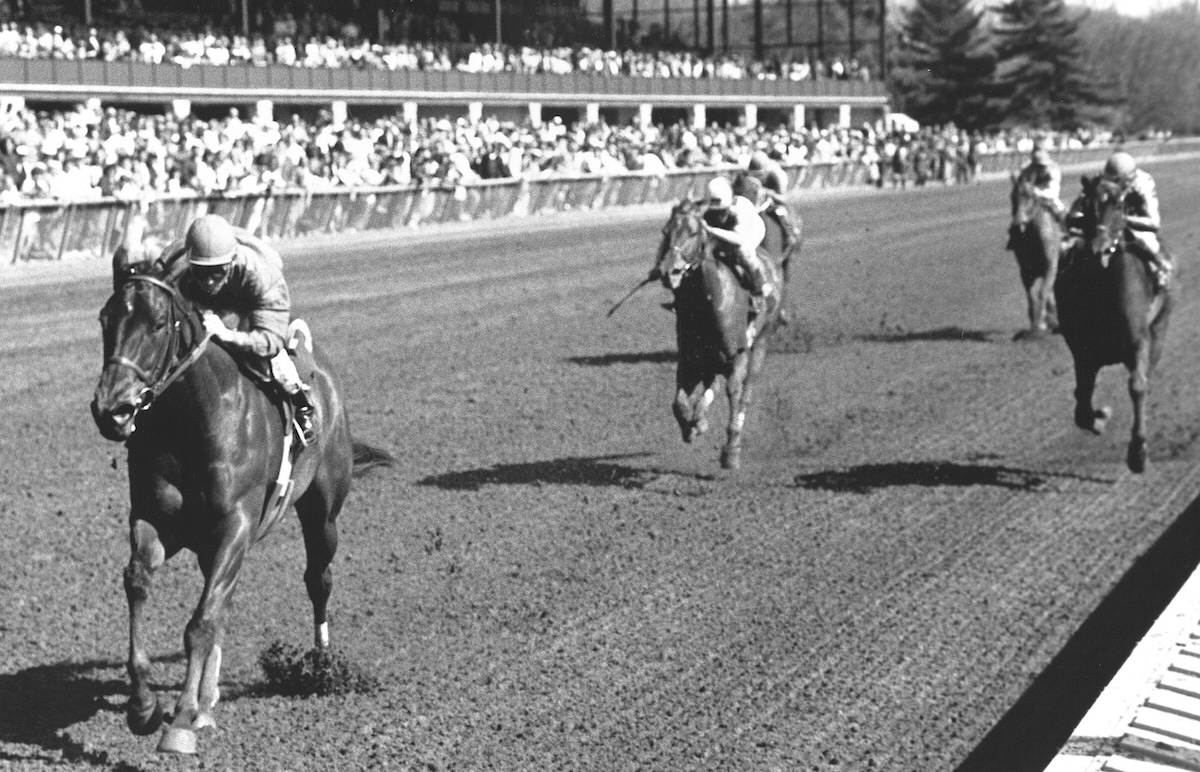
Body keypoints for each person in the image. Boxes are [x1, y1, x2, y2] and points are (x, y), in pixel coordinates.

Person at [179, 214, 317, 444]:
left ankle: (300, 403)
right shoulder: (182, 269)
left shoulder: (263, 275)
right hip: (213, 297)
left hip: (253, 301)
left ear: (232, 262)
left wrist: (228, 335)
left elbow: (270, 340)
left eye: (217, 272)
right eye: (201, 272)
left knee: (273, 359)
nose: (209, 281)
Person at [1067, 151, 1172, 290]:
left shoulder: (1143, 184)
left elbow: (1154, 223)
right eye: (1108, 179)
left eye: (1116, 181)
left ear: (1128, 179)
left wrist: (1124, 219)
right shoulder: (1099, 180)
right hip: (1105, 221)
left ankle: (1161, 267)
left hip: (1132, 221)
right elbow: (1076, 210)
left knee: (1146, 240)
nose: (1110, 184)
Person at [701, 176, 774, 317]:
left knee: (743, 252)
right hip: (726, 232)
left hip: (751, 231)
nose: (719, 215)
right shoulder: (711, 207)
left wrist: (711, 231)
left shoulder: (741, 208)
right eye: (715, 211)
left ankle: (760, 288)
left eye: (722, 211)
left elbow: (738, 239)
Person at [734, 150, 800, 255]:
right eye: (753, 174)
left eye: (759, 175)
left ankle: (790, 235)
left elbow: (784, 199)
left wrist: (769, 193)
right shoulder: (743, 173)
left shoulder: (777, 175)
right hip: (753, 199)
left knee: (781, 211)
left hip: (770, 200)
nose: (756, 178)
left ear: (765, 171)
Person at [1006, 146, 1064, 250]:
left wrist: (1038, 192)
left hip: (1048, 198)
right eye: (1036, 165)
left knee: (1061, 212)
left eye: (1040, 165)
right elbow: (1022, 183)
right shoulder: (1028, 169)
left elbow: (1054, 191)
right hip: (1030, 198)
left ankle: (1064, 237)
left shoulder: (1053, 170)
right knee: (1019, 214)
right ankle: (1014, 237)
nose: (1037, 168)